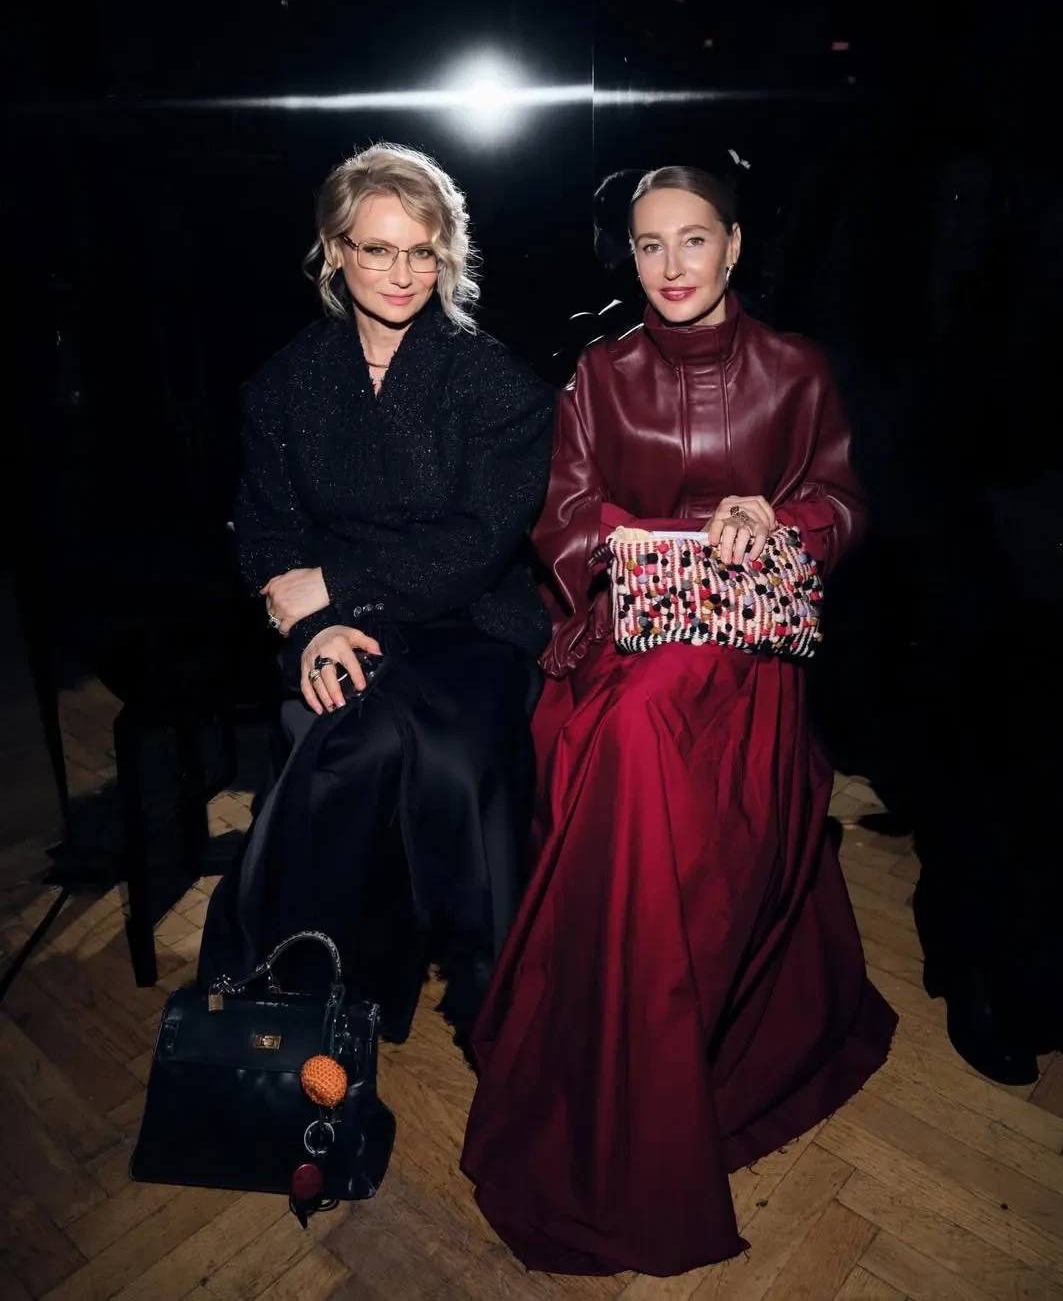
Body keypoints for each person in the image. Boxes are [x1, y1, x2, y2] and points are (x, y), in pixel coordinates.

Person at [461, 165, 897, 1276]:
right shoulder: (600, 373)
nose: (670, 265)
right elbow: (560, 511)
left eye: (693, 239)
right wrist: (624, 534)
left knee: (641, 735)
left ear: (734, 245)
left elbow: (845, 504)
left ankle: (639, 1050)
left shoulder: (796, 369)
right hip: (627, 629)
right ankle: (618, 1051)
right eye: (649, 244)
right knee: (623, 731)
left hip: (746, 647)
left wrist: (782, 518)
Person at [197, 144, 554, 1044]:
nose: (402, 274)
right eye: (377, 249)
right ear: (334, 251)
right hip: (344, 629)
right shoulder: (285, 383)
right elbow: (267, 534)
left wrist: (337, 578)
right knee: (348, 747)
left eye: (422, 251)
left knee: (454, 759)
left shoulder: (497, 383)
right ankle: (304, 1003)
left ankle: (496, 1001)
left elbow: (477, 546)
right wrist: (314, 627)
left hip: (471, 626)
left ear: (447, 255)